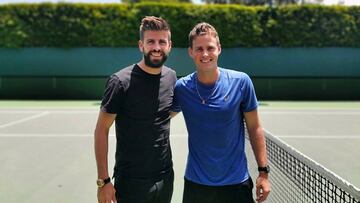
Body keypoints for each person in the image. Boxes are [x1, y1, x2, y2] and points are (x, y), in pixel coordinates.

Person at [171, 22, 271, 203]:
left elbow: (255, 127)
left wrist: (263, 173)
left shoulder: (241, 82)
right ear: (190, 52)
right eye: (199, 49)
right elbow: (158, 119)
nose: (205, 54)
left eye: (210, 48)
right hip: (196, 185)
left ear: (219, 49)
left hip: (236, 185)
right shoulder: (182, 88)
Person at [94, 16, 177, 203]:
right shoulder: (120, 82)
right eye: (151, 42)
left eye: (162, 42)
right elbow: (101, 129)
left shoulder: (171, 77)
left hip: (165, 176)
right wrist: (103, 181)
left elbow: (166, 113)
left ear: (169, 45)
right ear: (141, 45)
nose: (157, 47)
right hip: (131, 181)